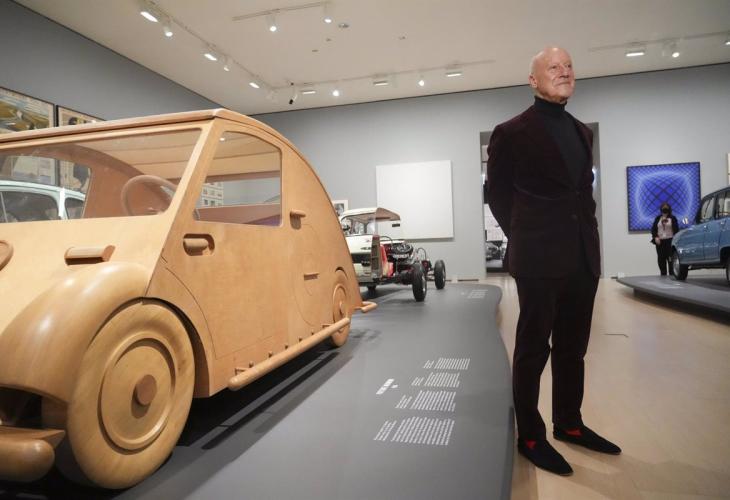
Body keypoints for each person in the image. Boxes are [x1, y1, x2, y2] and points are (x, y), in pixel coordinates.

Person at [487, 47, 620, 476]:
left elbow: (582, 194)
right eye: (553, 67)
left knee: (573, 348)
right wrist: (525, 236)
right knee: (532, 349)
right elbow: (498, 195)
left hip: (582, 256)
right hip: (539, 257)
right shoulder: (511, 132)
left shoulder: (581, 131)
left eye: (568, 66)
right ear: (533, 80)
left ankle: (569, 423)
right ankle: (530, 435)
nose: (564, 72)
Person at [651, 202, 679, 276]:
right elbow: (653, 229)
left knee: (670, 259)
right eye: (663, 207)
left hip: (670, 241)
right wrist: (655, 237)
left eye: (666, 207)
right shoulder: (658, 218)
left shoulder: (673, 218)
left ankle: (672, 274)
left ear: (669, 209)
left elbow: (676, 230)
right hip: (660, 242)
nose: (665, 209)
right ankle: (663, 275)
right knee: (661, 259)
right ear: (661, 209)